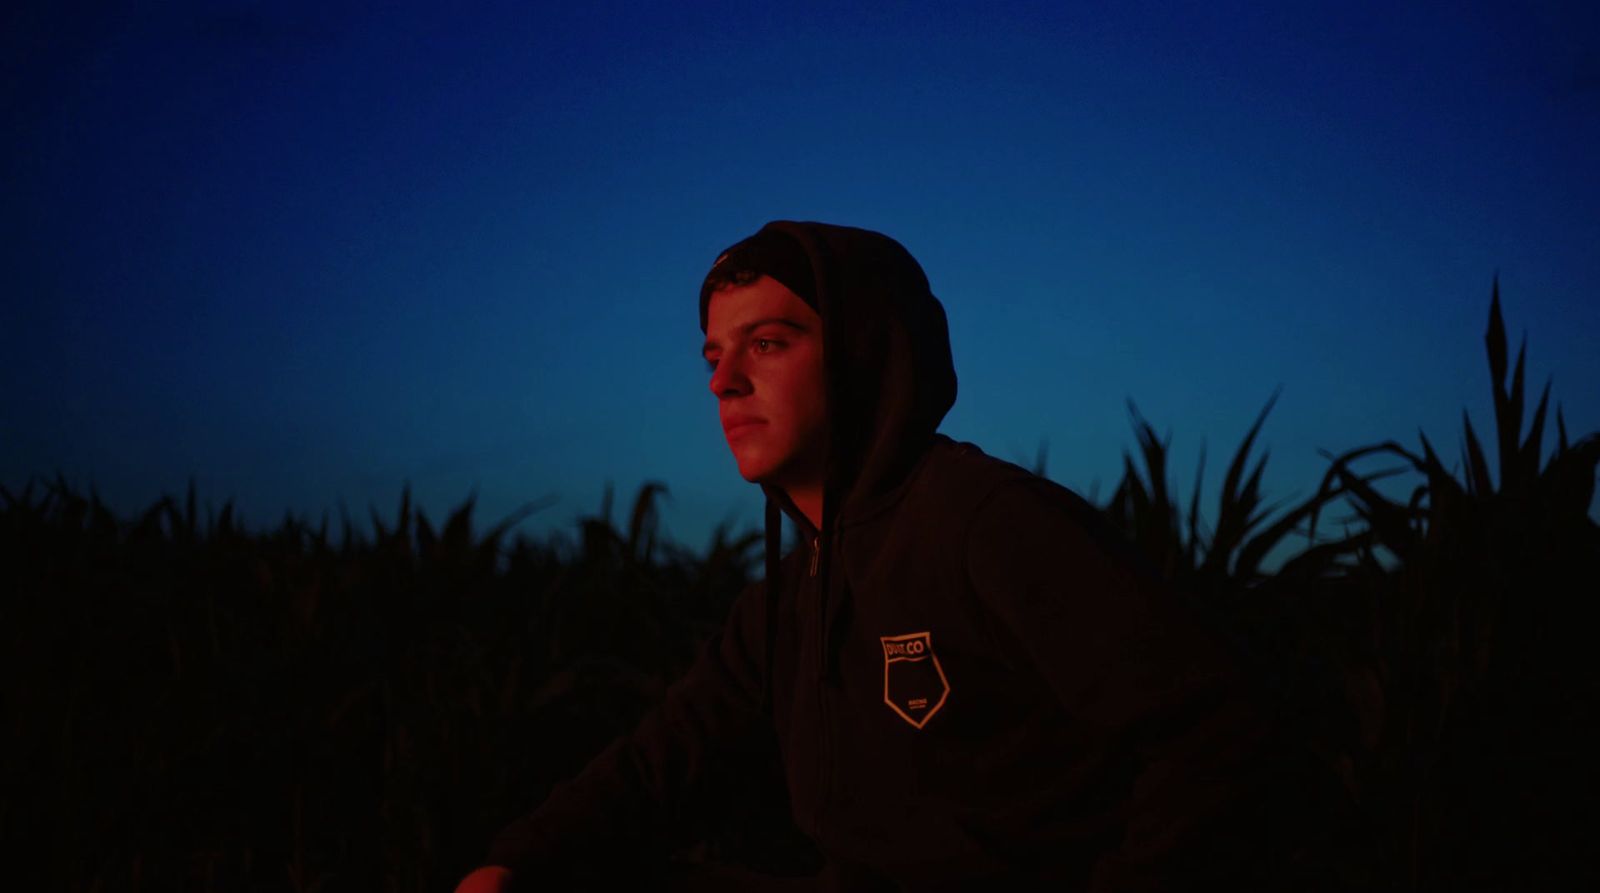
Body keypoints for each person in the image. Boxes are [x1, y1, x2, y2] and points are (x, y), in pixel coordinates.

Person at [457, 221, 1326, 891]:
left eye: (767, 343)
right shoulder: (789, 599)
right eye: (715, 355)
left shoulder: (984, 523)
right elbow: (659, 765)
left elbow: (1222, 728)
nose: (723, 382)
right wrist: (514, 864)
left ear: (864, 354)